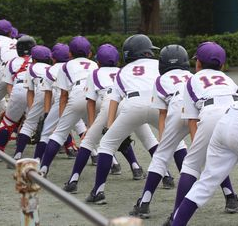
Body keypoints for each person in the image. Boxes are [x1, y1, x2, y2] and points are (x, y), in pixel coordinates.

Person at [86, 34, 169, 205]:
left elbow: (115, 100)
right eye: (148, 52)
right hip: (157, 104)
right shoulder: (158, 64)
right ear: (143, 53)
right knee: (176, 145)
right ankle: (168, 178)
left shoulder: (122, 71)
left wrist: (110, 126)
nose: (150, 55)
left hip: (132, 105)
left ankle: (98, 191)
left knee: (107, 145)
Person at [163, 41, 238, 225]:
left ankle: (176, 215)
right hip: (237, 116)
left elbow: (192, 119)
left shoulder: (192, 81)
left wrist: (199, 147)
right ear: (222, 65)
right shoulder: (230, 81)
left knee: (190, 165)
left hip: (211, 115)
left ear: (198, 64)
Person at [62, 44, 146, 194]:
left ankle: (73, 181)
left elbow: (91, 101)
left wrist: (92, 124)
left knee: (89, 142)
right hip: (130, 104)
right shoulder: (123, 71)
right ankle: (143, 169)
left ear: (98, 62)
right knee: (145, 139)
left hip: (108, 104)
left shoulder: (94, 73)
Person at [129, 44, 192, 218]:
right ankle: (230, 196)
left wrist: (164, 139)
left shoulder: (161, 80)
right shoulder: (193, 76)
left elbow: (162, 113)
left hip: (176, 111)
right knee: (213, 154)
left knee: (160, 158)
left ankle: (144, 203)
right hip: (199, 114)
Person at [39, 36, 98, 175]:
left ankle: (43, 168)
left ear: (70, 53)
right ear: (89, 53)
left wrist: (61, 119)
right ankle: (123, 165)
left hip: (77, 95)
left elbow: (64, 95)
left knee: (58, 134)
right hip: (96, 99)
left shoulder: (66, 66)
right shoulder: (94, 64)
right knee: (103, 135)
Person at [0, 35, 36, 157]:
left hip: (18, 89)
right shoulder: (38, 60)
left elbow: (9, 86)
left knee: (8, 122)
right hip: (37, 91)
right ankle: (68, 146)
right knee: (50, 121)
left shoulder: (11, 62)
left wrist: (16, 102)